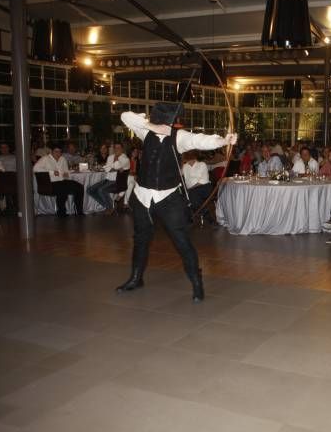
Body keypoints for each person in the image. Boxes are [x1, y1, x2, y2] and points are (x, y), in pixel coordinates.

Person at [117, 104, 237, 302]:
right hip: (142, 195)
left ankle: (197, 284)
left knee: (182, 241)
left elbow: (200, 140)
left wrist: (224, 140)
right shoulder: (145, 131)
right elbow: (125, 116)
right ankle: (136, 278)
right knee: (141, 239)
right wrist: (152, 126)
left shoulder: (179, 137)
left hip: (168, 198)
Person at [33, 145, 85, 217]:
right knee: (63, 188)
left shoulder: (63, 159)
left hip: (62, 181)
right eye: (56, 152)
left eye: (60, 152)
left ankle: (79, 211)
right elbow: (35, 168)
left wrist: (66, 174)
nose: (58, 154)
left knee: (79, 187)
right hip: (50, 183)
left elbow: (66, 171)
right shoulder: (45, 159)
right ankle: (61, 211)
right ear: (51, 152)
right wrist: (52, 172)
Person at [87, 142, 130, 214]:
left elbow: (115, 167)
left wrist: (115, 161)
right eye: (115, 148)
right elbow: (107, 169)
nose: (117, 149)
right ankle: (109, 206)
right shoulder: (110, 157)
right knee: (90, 190)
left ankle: (110, 208)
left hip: (117, 182)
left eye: (118, 148)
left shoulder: (125, 159)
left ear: (122, 149)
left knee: (101, 190)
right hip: (107, 179)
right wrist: (114, 167)